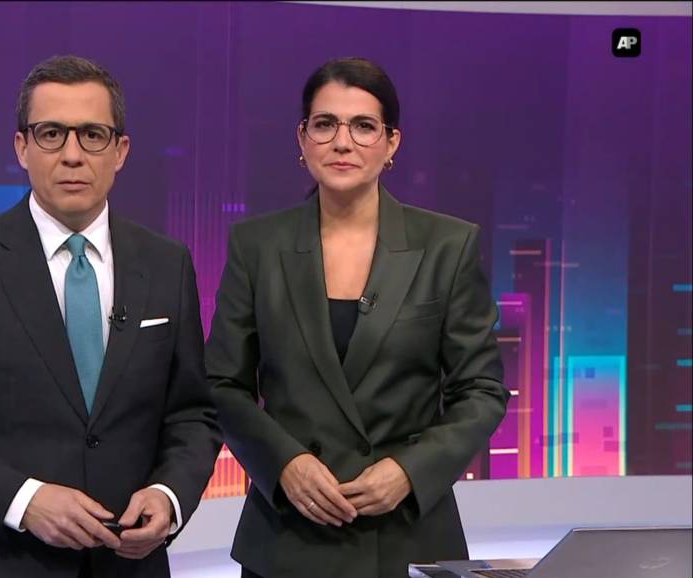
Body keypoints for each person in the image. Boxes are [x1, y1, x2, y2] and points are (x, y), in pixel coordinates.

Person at [0, 55, 222, 578]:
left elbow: (192, 414)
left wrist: (169, 496)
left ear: (121, 151)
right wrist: (23, 499)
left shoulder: (167, 264)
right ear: (22, 147)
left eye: (93, 135)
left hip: (129, 567)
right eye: (52, 134)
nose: (72, 155)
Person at [205, 57, 509, 578]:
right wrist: (284, 463)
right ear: (302, 139)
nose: (342, 143)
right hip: (288, 538)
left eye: (363, 126)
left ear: (391, 143)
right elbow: (222, 383)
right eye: (325, 124)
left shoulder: (447, 245)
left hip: (405, 536)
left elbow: (481, 390)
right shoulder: (257, 246)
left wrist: (408, 472)